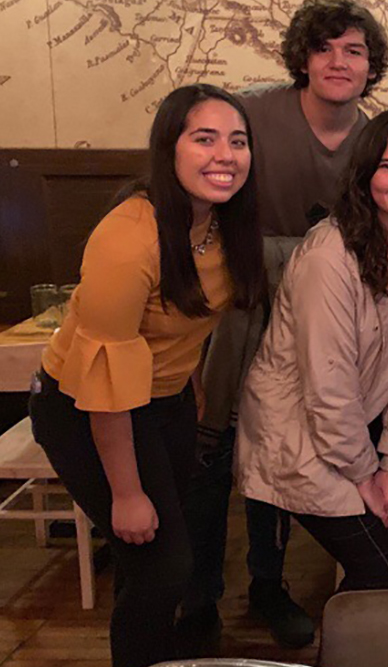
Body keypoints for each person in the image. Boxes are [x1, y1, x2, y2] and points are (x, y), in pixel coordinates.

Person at [179, 0, 388, 652]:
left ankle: (267, 585)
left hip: (332, 310)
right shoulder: (252, 113)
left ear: (370, 65)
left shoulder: (376, 137)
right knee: (215, 446)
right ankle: (198, 596)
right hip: (246, 297)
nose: (338, 61)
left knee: (286, 445)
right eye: (325, 47)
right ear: (302, 56)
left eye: (353, 50)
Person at [29, 84, 265, 667]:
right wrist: (128, 493)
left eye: (237, 141)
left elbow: (191, 326)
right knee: (164, 563)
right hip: (86, 407)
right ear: (169, 148)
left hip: (166, 401)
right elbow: (105, 379)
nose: (224, 155)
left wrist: (191, 387)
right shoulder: (128, 236)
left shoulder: (223, 223)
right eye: (204, 139)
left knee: (154, 564)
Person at [235, 109, 388, 590]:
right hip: (299, 432)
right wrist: (366, 474)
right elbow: (328, 389)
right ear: (364, 175)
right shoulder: (330, 257)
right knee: (381, 572)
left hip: (357, 433)